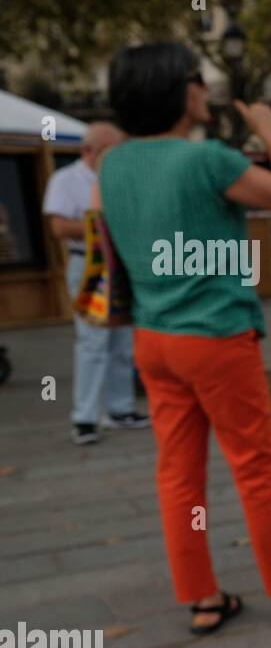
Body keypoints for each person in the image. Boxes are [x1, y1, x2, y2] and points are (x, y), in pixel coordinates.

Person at [96, 42, 271, 634]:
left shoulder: (112, 164)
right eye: (197, 78)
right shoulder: (207, 161)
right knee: (255, 466)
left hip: (153, 338)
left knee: (177, 473)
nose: (205, 88)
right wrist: (270, 132)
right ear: (178, 89)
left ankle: (202, 597)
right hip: (216, 335)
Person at [42, 121, 149, 445]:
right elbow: (59, 227)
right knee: (92, 342)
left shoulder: (120, 178)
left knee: (123, 340)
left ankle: (120, 409)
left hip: (122, 262)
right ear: (91, 150)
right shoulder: (67, 180)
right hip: (91, 262)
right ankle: (85, 417)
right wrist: (102, 226)